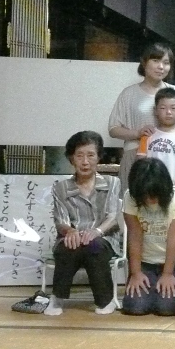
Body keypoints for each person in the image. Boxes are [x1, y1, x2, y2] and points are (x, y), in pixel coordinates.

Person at [45, 130, 122, 316]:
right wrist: (70, 232)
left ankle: (105, 300)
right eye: (79, 156)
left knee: (93, 246)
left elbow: (113, 217)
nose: (85, 162)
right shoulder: (61, 187)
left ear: (99, 157)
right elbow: (60, 220)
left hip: (103, 238)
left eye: (90, 155)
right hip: (72, 238)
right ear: (71, 158)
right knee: (69, 246)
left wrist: (96, 232)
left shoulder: (112, 183)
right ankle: (57, 298)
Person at [108, 42, 175, 192]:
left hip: (169, 156)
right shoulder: (129, 93)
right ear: (144, 62)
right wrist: (138, 133)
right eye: (155, 60)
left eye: (166, 62)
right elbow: (113, 129)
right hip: (135, 154)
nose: (161, 67)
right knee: (133, 202)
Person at [121, 157, 175, 316]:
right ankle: (151, 291)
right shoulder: (130, 196)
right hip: (145, 262)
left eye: (154, 194)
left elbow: (174, 238)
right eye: (145, 195)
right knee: (135, 307)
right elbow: (134, 235)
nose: (150, 199)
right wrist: (136, 273)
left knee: (166, 308)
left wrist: (167, 274)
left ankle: (162, 292)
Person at [136, 88, 175, 188]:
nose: (168, 112)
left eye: (173, 108)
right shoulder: (148, 135)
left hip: (173, 188)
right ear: (155, 110)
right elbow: (140, 163)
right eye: (163, 108)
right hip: (149, 188)